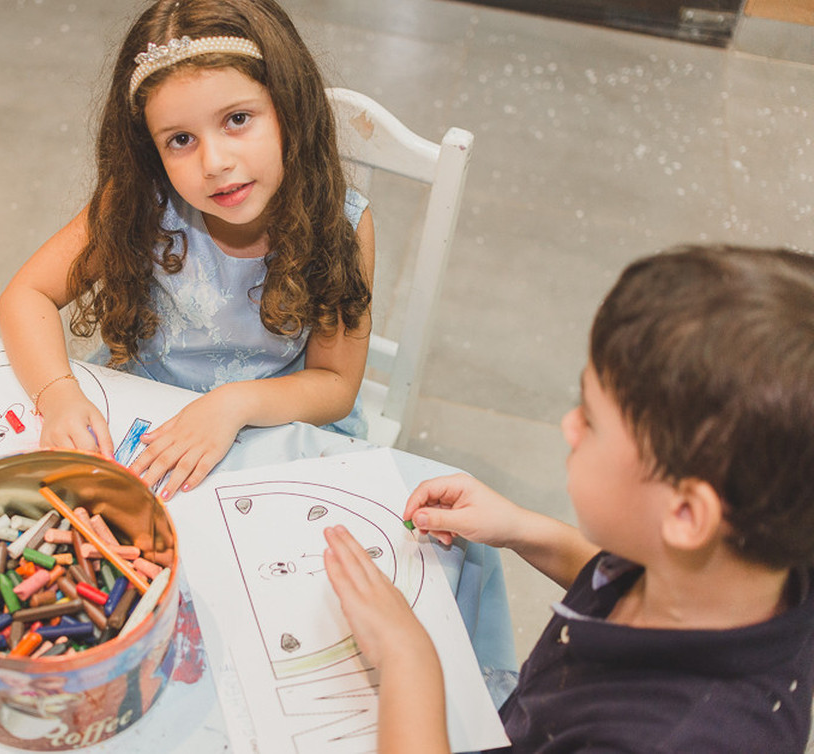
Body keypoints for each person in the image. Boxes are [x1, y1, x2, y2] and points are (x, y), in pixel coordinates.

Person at [323, 245, 814, 752]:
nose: (569, 425)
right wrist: (521, 528)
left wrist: (409, 662)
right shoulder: (753, 564)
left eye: (592, 421)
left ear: (687, 514)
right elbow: (628, 578)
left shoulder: (671, 740)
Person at [0, 0, 374, 500]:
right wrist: (59, 395)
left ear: (291, 108)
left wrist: (233, 404)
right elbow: (26, 295)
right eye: (180, 139)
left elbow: (335, 385)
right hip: (143, 414)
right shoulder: (142, 200)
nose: (215, 163)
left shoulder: (340, 222)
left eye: (237, 119)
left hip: (272, 424)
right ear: (150, 149)